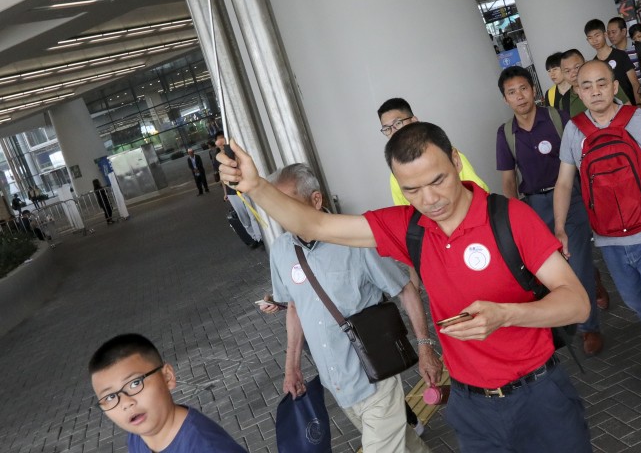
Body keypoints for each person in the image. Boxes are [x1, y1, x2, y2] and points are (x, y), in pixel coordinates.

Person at [218, 125, 593, 453]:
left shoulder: (509, 218)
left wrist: (507, 314)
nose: (429, 200)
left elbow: (577, 303)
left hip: (539, 395)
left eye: (438, 180)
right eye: (411, 189)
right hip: (472, 405)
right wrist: (255, 187)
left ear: (456, 161)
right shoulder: (408, 227)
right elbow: (315, 226)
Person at [553, 60, 641, 413]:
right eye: (587, 85)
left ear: (615, 86)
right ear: (578, 91)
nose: (595, 91)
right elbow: (565, 182)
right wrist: (559, 229)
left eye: (602, 83)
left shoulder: (638, 121)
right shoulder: (575, 130)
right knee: (637, 304)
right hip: (610, 239)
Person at [266, 163, 436, 453]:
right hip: (337, 382)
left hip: (375, 377)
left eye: (289, 204)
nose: (284, 215)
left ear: (316, 200)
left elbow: (404, 288)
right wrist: (291, 367)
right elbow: (294, 308)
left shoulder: (355, 239)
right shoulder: (281, 250)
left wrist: (424, 347)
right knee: (405, 445)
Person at [496, 66, 606, 356]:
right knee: (551, 269)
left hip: (571, 198)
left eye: (523, 88)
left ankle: (588, 328)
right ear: (505, 100)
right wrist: (514, 214)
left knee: (577, 261)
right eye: (511, 92)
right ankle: (592, 283)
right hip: (534, 206)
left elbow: (583, 158)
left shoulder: (558, 119)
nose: (519, 96)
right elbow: (508, 179)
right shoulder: (506, 133)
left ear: (533, 90)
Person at [89, 334, 245, 452]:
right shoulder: (137, 436)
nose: (125, 403)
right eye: (110, 397)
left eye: (135, 383)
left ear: (167, 377)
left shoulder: (207, 446)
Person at [378, 98, 488, 206]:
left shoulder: (444, 152)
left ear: (414, 120)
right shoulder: (395, 172)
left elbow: (479, 192)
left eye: (398, 123)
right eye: (387, 129)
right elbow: (403, 213)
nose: (393, 132)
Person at [215, 133, 263, 247]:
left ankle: (260, 238)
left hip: (245, 190)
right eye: (219, 141)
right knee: (243, 218)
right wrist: (225, 193)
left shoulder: (237, 153)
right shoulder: (218, 158)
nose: (222, 143)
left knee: (253, 215)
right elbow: (222, 178)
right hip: (232, 193)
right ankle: (254, 238)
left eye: (224, 139)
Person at [584, 19, 640, 106]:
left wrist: (638, 104)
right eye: (590, 38)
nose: (594, 40)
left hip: (632, 105)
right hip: (612, 110)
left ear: (605, 34)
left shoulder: (621, 55)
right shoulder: (595, 64)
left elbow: (635, 83)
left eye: (597, 35)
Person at [607, 16, 641, 92]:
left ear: (623, 31)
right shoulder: (609, 53)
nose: (610, 36)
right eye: (608, 33)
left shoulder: (638, 47)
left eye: (613, 32)